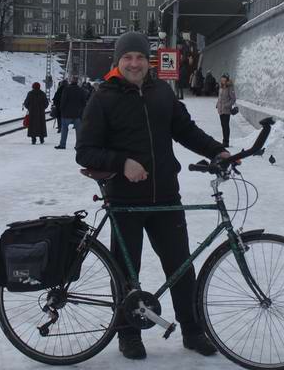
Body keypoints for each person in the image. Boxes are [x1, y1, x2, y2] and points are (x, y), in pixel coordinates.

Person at [76, 32, 229, 360]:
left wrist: (218, 150)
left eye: (140, 57)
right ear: (119, 62)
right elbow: (85, 151)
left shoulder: (162, 93)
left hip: (165, 196)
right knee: (125, 272)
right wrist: (122, 162)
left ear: (149, 61)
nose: (134, 63)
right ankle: (128, 333)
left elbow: (186, 131)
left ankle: (192, 330)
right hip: (124, 199)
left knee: (181, 267)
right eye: (128, 58)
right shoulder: (102, 97)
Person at [55, 75, 87, 149]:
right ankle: (78, 145)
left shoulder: (66, 89)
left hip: (66, 114)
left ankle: (62, 145)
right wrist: (81, 111)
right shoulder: (81, 90)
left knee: (64, 130)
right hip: (77, 114)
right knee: (78, 132)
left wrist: (61, 110)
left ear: (71, 81)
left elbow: (63, 101)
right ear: (77, 81)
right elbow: (84, 103)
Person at [215, 75, 236, 148]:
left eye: (224, 80)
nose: (222, 81)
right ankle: (224, 141)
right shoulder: (221, 87)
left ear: (227, 80)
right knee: (223, 126)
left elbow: (233, 99)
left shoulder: (230, 87)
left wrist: (226, 105)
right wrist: (217, 104)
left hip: (226, 110)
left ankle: (226, 142)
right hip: (220, 109)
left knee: (226, 126)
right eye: (222, 80)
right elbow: (219, 97)